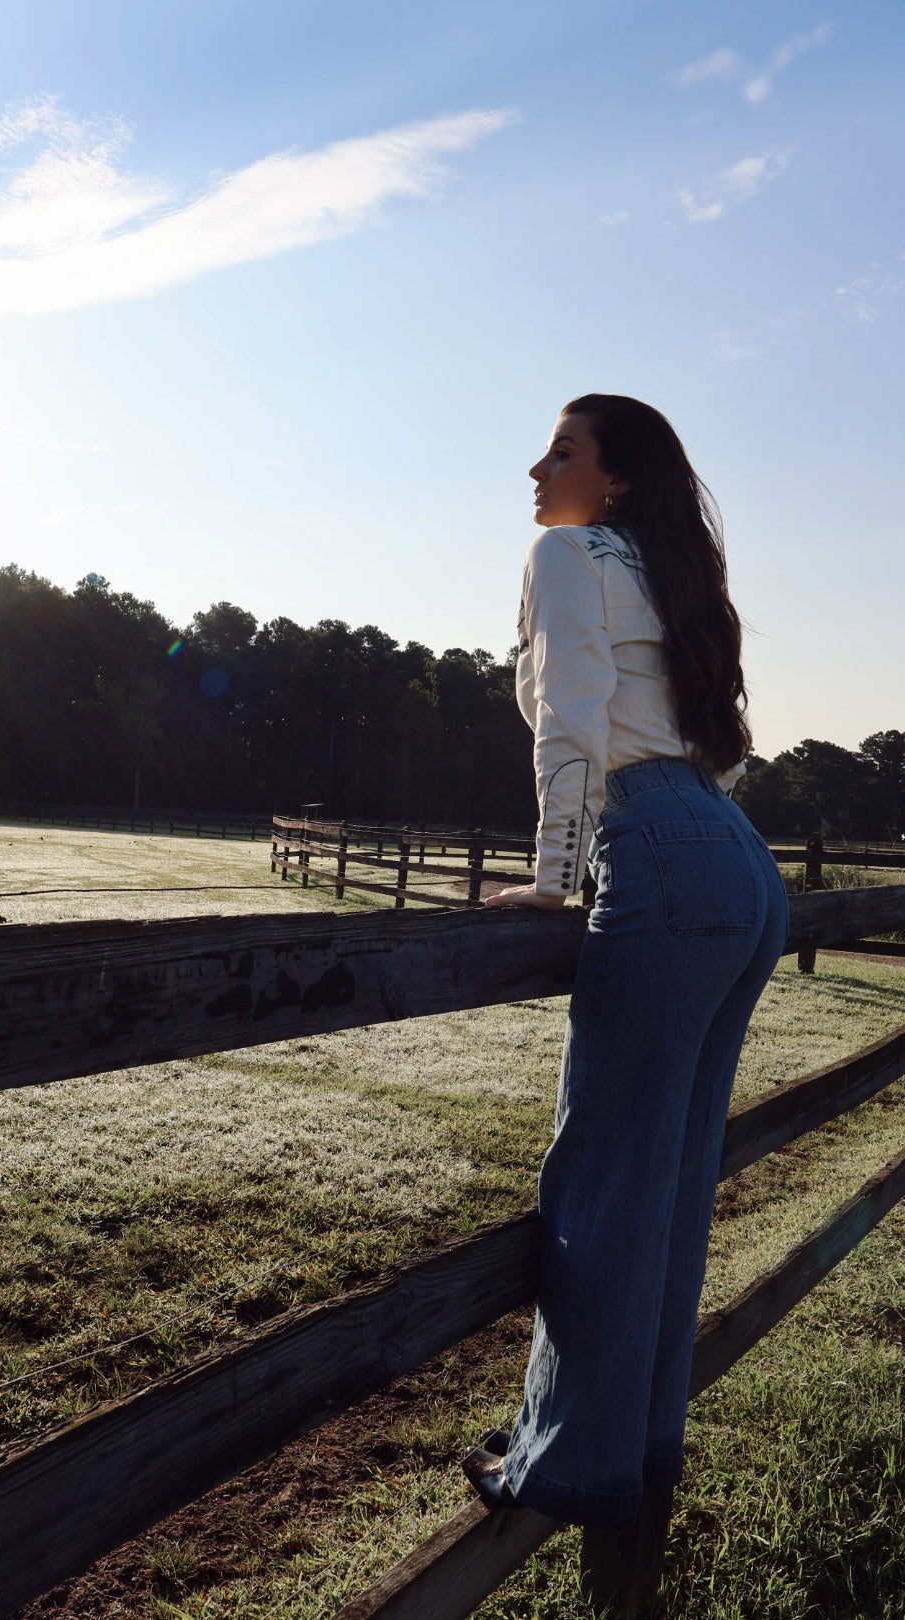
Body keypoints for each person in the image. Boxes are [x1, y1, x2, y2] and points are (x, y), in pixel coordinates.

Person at [460, 395, 788, 1555]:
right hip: (737, 864)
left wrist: (552, 874)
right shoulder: (668, 572)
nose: (536, 467)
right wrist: (692, 833)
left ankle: (569, 1463)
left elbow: (574, 719)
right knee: (674, 1176)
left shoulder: (563, 553)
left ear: (619, 479)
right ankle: (638, 1450)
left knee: (603, 1176)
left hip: (655, 848)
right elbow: (724, 750)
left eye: (562, 449)